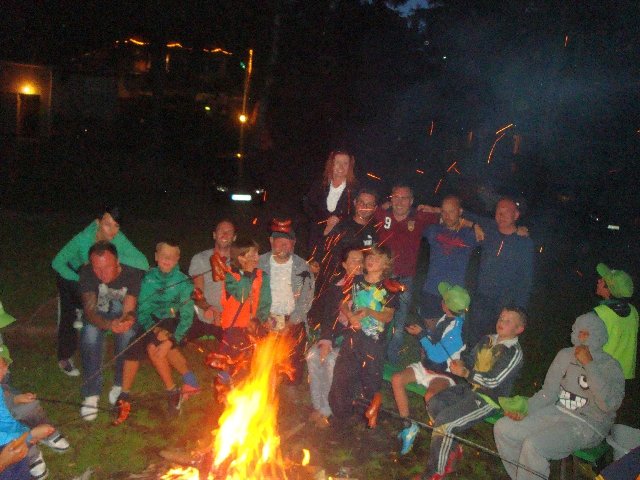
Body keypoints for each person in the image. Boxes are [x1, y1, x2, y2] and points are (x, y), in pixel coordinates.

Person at [494, 314, 624, 480]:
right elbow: (548, 393)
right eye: (579, 331)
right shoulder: (565, 355)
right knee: (504, 428)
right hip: (557, 412)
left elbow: (609, 405)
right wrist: (526, 409)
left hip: (588, 424)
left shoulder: (610, 366)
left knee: (534, 445)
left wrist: (589, 364)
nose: (582, 337)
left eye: (587, 333)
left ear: (599, 335)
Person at [412, 306, 526, 480]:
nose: (501, 322)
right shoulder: (488, 339)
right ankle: (452, 450)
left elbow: (493, 381)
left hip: (489, 399)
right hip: (470, 388)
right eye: (501, 318)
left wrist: (466, 373)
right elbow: (470, 360)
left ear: (519, 329)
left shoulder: (513, 352)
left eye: (508, 321)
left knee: (445, 423)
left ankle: (435, 473)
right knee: (435, 403)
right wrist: (461, 363)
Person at [52, 206, 149, 377]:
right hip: (72, 277)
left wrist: (112, 257)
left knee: (107, 292)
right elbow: (57, 262)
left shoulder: (118, 238)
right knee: (69, 314)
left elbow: (144, 263)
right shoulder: (83, 239)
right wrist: (79, 279)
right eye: (107, 224)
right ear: (98, 222)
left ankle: (97, 317)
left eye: (116, 226)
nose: (112, 230)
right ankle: (64, 357)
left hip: (96, 280)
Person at [118, 241, 200, 417]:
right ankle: (124, 393)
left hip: (173, 320)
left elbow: (187, 317)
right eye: (163, 256)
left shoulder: (184, 282)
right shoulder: (148, 279)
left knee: (153, 348)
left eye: (172, 256)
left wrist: (172, 339)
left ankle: (172, 392)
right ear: (156, 257)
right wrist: (154, 329)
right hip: (152, 321)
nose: (167, 259)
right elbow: (143, 310)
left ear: (178, 259)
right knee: (133, 347)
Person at [392, 282, 469, 455]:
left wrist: (420, 335)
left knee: (431, 396)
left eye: (444, 299)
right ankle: (408, 426)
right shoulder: (445, 318)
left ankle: (447, 439)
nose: (441, 300)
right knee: (397, 379)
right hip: (426, 367)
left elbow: (437, 355)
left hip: (443, 374)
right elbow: (434, 341)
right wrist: (422, 332)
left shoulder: (458, 331)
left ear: (446, 305)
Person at [328, 246, 399, 425]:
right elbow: (343, 303)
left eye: (377, 258)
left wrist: (369, 312)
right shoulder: (356, 280)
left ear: (386, 264)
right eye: (370, 256)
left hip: (374, 343)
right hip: (353, 337)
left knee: (370, 381)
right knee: (342, 375)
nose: (371, 260)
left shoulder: (390, 287)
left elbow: (388, 316)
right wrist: (350, 316)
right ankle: (341, 415)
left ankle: (366, 417)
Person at [374, 184, 440, 364]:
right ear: (391, 198)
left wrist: (434, 209)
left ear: (411, 201)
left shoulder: (419, 218)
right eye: (396, 197)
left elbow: (447, 215)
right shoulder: (383, 215)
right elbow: (366, 208)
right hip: (382, 278)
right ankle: (375, 353)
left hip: (404, 280)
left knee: (400, 319)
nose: (400, 201)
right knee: (378, 316)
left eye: (404, 198)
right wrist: (382, 205)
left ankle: (392, 356)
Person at [78, 241, 144, 421]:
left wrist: (126, 321)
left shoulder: (132, 273)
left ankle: (119, 385)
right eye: (97, 268)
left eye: (107, 267)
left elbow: (129, 310)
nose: (102, 273)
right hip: (98, 314)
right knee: (90, 334)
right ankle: (92, 393)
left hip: (121, 313)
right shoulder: (86, 273)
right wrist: (109, 325)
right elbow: (90, 312)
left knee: (128, 334)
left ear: (117, 262)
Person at [306, 246, 364, 428]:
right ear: (345, 264)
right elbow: (328, 317)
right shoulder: (336, 286)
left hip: (355, 340)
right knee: (313, 356)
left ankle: (327, 410)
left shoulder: (366, 287)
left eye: (361, 260)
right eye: (354, 260)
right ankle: (318, 406)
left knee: (331, 361)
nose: (359, 264)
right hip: (336, 336)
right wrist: (326, 340)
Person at [465, 198, 534, 346]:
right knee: (473, 340)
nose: (501, 216)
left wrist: (519, 311)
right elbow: (464, 213)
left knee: (496, 343)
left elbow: (526, 280)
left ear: (516, 215)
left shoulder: (524, 243)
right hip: (481, 298)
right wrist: (475, 225)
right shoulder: (489, 229)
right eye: (498, 212)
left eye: (506, 212)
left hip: (505, 304)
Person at [258, 218, 314, 385]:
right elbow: (251, 295)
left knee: (292, 375)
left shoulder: (303, 267)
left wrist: (289, 324)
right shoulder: (259, 263)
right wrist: (263, 317)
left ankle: (289, 379)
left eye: (287, 242)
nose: (283, 246)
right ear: (271, 241)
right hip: (265, 316)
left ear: (293, 243)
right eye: (279, 241)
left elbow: (306, 301)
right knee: (262, 365)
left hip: (292, 319)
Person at [212, 237, 271, 365]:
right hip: (234, 327)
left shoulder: (262, 276)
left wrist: (259, 320)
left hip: (254, 325)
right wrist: (247, 273)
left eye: (257, 253)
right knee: (232, 361)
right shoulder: (230, 276)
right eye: (252, 254)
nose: (257, 257)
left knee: (254, 361)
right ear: (241, 258)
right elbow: (242, 295)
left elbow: (265, 301)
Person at [0, 345, 55, 480]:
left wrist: (29, 434)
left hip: (12, 444)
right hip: (6, 448)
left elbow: (6, 420)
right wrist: (29, 436)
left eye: (4, 365)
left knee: (20, 464)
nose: (4, 371)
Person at [420, 195, 480, 318]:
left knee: (451, 327)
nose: (447, 216)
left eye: (451, 211)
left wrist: (472, 223)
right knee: (429, 322)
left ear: (460, 211)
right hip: (432, 288)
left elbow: (492, 226)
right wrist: (434, 210)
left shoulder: (469, 234)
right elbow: (413, 215)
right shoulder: (433, 230)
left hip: (455, 293)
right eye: (444, 211)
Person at [311, 188, 379, 294]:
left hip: (359, 285)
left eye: (369, 204)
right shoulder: (341, 225)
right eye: (361, 202)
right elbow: (322, 249)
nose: (364, 207)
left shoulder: (374, 231)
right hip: (333, 283)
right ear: (355, 203)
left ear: (375, 208)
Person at [186, 219, 237, 341]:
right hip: (209, 316)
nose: (224, 234)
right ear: (214, 235)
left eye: (229, 232)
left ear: (234, 237)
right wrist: (208, 308)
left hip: (233, 319)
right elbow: (197, 292)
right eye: (221, 230)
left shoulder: (240, 260)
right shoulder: (201, 259)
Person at [303, 149, 358, 251]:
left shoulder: (354, 190)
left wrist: (338, 219)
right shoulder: (320, 185)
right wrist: (324, 221)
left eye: (345, 163)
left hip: (340, 241)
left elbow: (355, 214)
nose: (341, 167)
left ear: (350, 166)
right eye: (337, 162)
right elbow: (308, 205)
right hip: (317, 237)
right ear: (331, 164)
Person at [591, 263, 637, 380]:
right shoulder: (634, 312)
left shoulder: (600, 313)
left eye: (602, 281)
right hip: (624, 376)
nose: (598, 281)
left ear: (609, 290)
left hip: (602, 374)